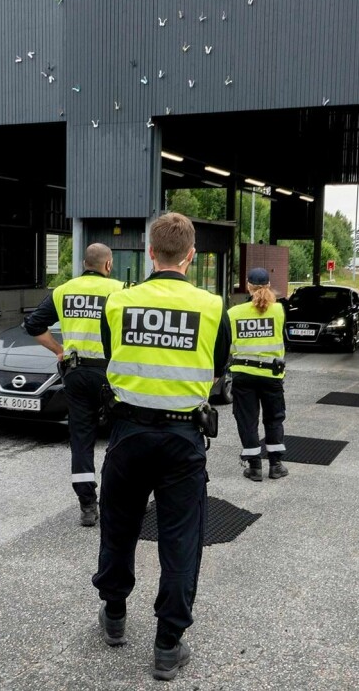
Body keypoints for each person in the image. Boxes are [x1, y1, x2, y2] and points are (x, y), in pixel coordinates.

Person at [92, 213, 230, 682]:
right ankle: (167, 645)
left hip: (128, 436)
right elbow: (216, 372)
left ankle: (113, 616)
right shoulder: (212, 308)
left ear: (151, 252)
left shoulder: (120, 303)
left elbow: (114, 359)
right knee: (180, 541)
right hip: (182, 439)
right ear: (191, 256)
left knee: (119, 528)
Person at [25, 243, 124, 526]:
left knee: (81, 438)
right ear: (108, 265)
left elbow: (34, 325)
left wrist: (58, 349)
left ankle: (87, 505)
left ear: (84, 263)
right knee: (120, 433)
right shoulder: (119, 290)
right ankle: (116, 497)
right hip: (109, 373)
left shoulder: (63, 290)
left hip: (75, 373)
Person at [227, 267, 288, 481]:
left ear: (248, 286)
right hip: (272, 375)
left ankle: (254, 468)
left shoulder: (234, 313)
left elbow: (227, 344)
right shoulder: (278, 310)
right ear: (269, 285)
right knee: (273, 419)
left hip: (243, 374)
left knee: (247, 419)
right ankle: (275, 465)